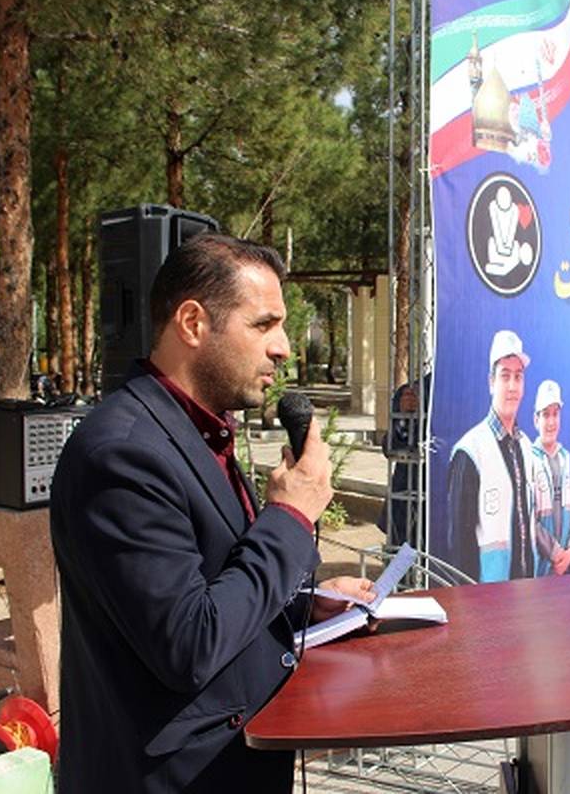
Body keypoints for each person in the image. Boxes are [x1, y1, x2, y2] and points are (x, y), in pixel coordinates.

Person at [50, 234, 374, 793]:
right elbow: (190, 645)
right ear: (193, 323)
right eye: (264, 324)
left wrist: (301, 605)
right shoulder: (122, 455)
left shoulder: (198, 431)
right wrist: (290, 517)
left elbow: (215, 584)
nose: (284, 348)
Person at [448, 330, 536, 581]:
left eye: (518, 377)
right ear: (491, 382)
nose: (512, 386)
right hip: (487, 594)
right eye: (505, 376)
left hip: (525, 590)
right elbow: (459, 545)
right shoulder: (470, 451)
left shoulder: (526, 447)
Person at [529, 379, 570, 576]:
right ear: (536, 420)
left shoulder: (566, 458)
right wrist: (555, 552)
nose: (551, 422)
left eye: (555, 414)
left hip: (564, 567)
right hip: (537, 572)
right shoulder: (528, 460)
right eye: (545, 414)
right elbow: (527, 518)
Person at [379, 374, 430, 548]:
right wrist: (404, 418)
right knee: (404, 560)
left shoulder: (488, 389)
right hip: (410, 508)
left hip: (456, 512)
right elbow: (390, 447)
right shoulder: (414, 391)